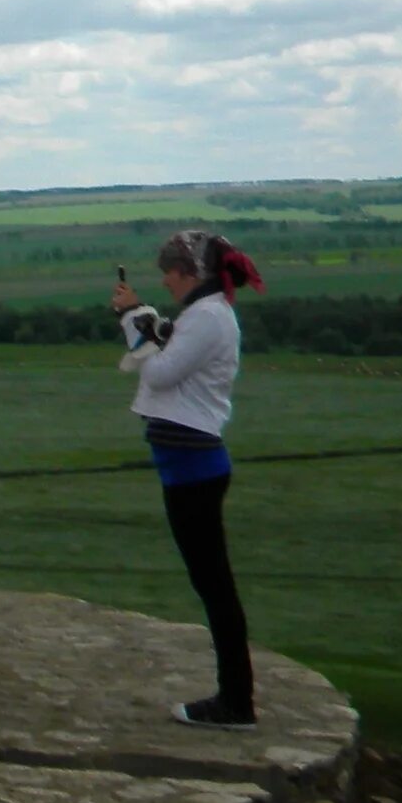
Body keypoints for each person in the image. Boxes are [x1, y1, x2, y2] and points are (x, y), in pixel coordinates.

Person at [112, 229, 266, 728]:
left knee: (215, 586)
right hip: (190, 468)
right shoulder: (206, 313)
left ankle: (236, 702)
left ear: (189, 273)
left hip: (194, 472)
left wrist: (139, 322)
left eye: (170, 273)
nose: (166, 280)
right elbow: (169, 350)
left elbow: (159, 373)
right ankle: (235, 697)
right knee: (213, 584)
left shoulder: (207, 318)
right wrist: (137, 315)